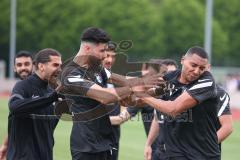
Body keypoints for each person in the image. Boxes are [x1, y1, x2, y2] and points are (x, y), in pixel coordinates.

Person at [59, 27, 161, 160]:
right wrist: (136, 87)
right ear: (87, 48)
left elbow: (124, 80)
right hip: (86, 147)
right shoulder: (71, 73)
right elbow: (106, 97)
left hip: (106, 142)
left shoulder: (97, 68)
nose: (104, 56)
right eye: (102, 51)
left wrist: (153, 83)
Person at [134, 46, 221, 160]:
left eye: (201, 68)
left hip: (202, 155)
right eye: (193, 65)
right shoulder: (171, 77)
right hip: (176, 153)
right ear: (182, 60)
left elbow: (173, 109)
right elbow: (153, 101)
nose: (196, 71)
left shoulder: (206, 82)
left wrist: (142, 95)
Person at [7, 48, 62, 160]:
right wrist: (51, 98)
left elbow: (50, 127)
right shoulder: (23, 86)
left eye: (60, 65)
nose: (59, 69)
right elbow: (14, 107)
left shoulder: (52, 91)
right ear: (41, 66)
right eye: (55, 65)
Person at [0, 51, 33, 160]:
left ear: (34, 65)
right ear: (14, 68)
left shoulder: (39, 87)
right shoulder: (19, 89)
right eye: (19, 65)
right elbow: (15, 121)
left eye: (27, 64)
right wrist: (5, 144)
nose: (23, 68)